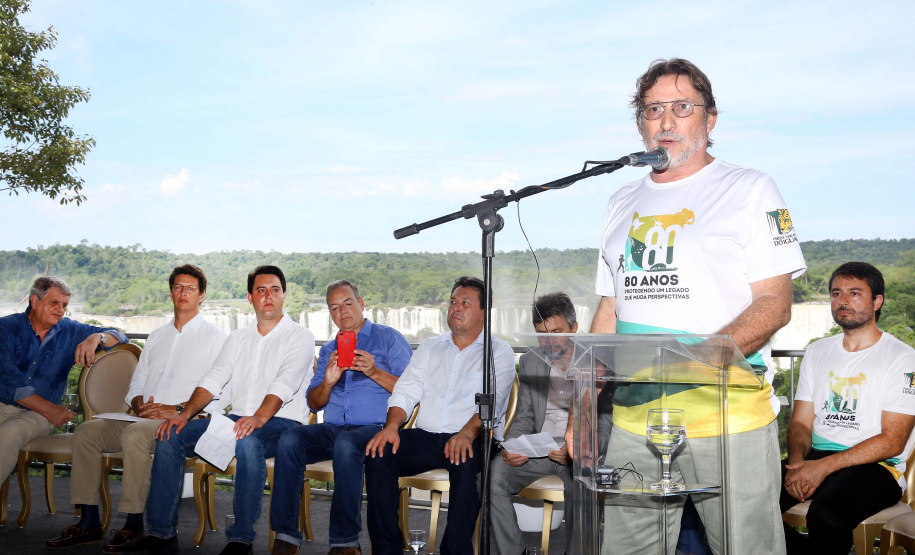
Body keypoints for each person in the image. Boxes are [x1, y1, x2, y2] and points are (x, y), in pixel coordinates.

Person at [579, 58, 807, 554]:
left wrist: (697, 359)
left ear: (710, 119)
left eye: (682, 107)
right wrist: (580, 405)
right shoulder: (620, 200)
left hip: (728, 420)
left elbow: (774, 305)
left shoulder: (750, 188)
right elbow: (609, 308)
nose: (665, 121)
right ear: (640, 122)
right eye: (652, 109)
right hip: (633, 420)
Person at [131, 265, 314, 555]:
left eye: (275, 290)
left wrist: (258, 418)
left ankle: (241, 537)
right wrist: (184, 414)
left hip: (281, 422)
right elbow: (213, 379)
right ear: (250, 297)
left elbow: (284, 384)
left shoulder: (300, 336)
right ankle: (161, 531)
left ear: (283, 296)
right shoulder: (238, 338)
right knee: (170, 435)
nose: (268, 296)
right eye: (261, 290)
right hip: (236, 418)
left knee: (248, 440)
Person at [45, 265, 227, 552]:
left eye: (190, 288)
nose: (183, 293)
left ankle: (134, 524)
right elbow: (136, 384)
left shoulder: (217, 338)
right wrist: (140, 403)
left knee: (135, 436)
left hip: (183, 421)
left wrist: (177, 408)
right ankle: (88, 522)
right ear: (170, 293)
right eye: (178, 287)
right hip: (143, 418)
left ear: (202, 295)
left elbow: (221, 393)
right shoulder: (156, 336)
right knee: (87, 432)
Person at [364, 276, 516, 555]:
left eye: (465, 303)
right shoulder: (431, 346)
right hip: (428, 436)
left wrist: (467, 433)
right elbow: (405, 391)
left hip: (474, 435)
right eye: (453, 301)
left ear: (484, 311)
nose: (455, 308)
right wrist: (392, 427)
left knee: (467, 459)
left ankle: (455, 551)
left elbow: (491, 401)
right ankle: (387, 548)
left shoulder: (499, 351)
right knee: (379, 452)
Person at [269, 280, 413, 555]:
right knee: (289, 440)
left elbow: (412, 390)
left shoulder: (388, 338)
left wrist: (374, 372)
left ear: (361, 303)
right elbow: (313, 403)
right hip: (333, 428)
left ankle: (344, 542)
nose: (342, 312)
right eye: (334, 308)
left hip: (375, 428)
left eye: (348, 303)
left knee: (347, 444)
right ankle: (286, 534)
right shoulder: (328, 349)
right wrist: (327, 383)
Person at [780, 262, 915, 554]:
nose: (842, 301)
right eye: (836, 293)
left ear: (877, 301)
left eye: (855, 293)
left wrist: (822, 468)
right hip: (816, 458)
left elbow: (892, 441)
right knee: (746, 499)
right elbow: (802, 423)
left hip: (877, 468)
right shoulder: (817, 350)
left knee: (826, 514)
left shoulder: (902, 358)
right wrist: (796, 464)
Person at [0, 277, 127, 488]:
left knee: (7, 436)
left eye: (64, 305)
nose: (60, 310)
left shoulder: (70, 330)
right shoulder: (6, 328)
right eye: (54, 303)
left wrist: (96, 338)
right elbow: (7, 378)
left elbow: (120, 335)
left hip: (36, 416)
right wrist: (53, 411)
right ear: (34, 301)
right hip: (19, 406)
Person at [490, 292, 577, 555]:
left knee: (581, 485)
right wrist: (514, 445)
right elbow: (525, 414)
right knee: (495, 474)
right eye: (541, 333)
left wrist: (578, 448)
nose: (548, 341)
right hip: (541, 447)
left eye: (556, 331)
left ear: (575, 328)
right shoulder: (530, 361)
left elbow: (604, 420)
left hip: (577, 449)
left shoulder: (596, 361)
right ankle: (514, 552)